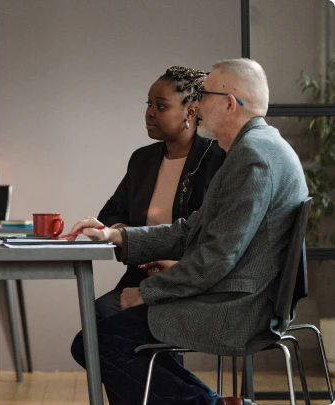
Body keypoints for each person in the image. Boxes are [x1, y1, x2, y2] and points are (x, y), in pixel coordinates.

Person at [69, 59, 308, 405]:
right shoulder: (253, 149)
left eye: (204, 95)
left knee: (97, 342)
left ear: (229, 102)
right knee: (104, 337)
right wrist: (117, 237)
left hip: (239, 309)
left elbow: (216, 257)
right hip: (234, 296)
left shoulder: (253, 157)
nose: (197, 105)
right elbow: (191, 230)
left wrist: (148, 292)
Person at [95, 65, 226, 320]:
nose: (150, 113)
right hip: (140, 277)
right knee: (98, 317)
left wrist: (175, 266)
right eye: (148, 104)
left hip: (189, 280)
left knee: (106, 327)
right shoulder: (143, 159)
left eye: (161, 106)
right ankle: (160, 362)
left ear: (191, 111)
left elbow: (212, 233)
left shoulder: (217, 159)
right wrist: (127, 236)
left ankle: (161, 361)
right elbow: (110, 213)